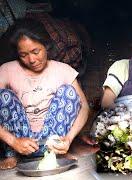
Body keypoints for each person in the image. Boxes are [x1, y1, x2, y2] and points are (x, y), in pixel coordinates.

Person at [0, 19, 89, 169]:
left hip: (52, 140)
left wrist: (68, 138)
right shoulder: (6, 70)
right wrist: (13, 141)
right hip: (20, 141)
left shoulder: (63, 69)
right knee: (3, 96)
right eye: (23, 55)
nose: (32, 60)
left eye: (36, 51)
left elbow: (85, 107)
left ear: (46, 45)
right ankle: (12, 155)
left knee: (69, 92)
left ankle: (57, 152)